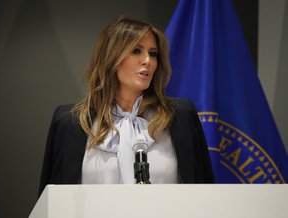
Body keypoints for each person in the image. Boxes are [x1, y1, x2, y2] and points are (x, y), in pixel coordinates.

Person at [39, 16, 214, 196]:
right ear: (111, 57)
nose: (147, 60)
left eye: (153, 54)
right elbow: (51, 201)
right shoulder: (70, 122)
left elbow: (205, 195)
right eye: (136, 51)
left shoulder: (181, 117)